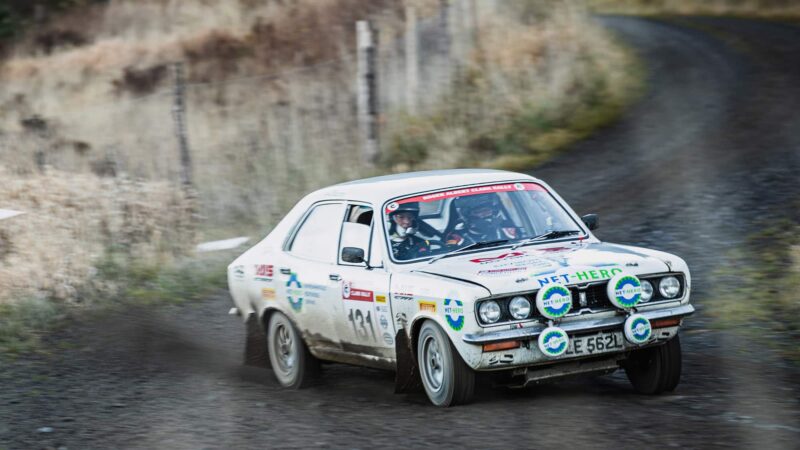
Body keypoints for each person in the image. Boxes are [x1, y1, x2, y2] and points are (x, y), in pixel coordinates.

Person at [446, 194, 521, 246]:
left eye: (487, 210)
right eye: (478, 212)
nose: (484, 215)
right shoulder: (455, 236)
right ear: (467, 216)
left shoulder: (507, 228)